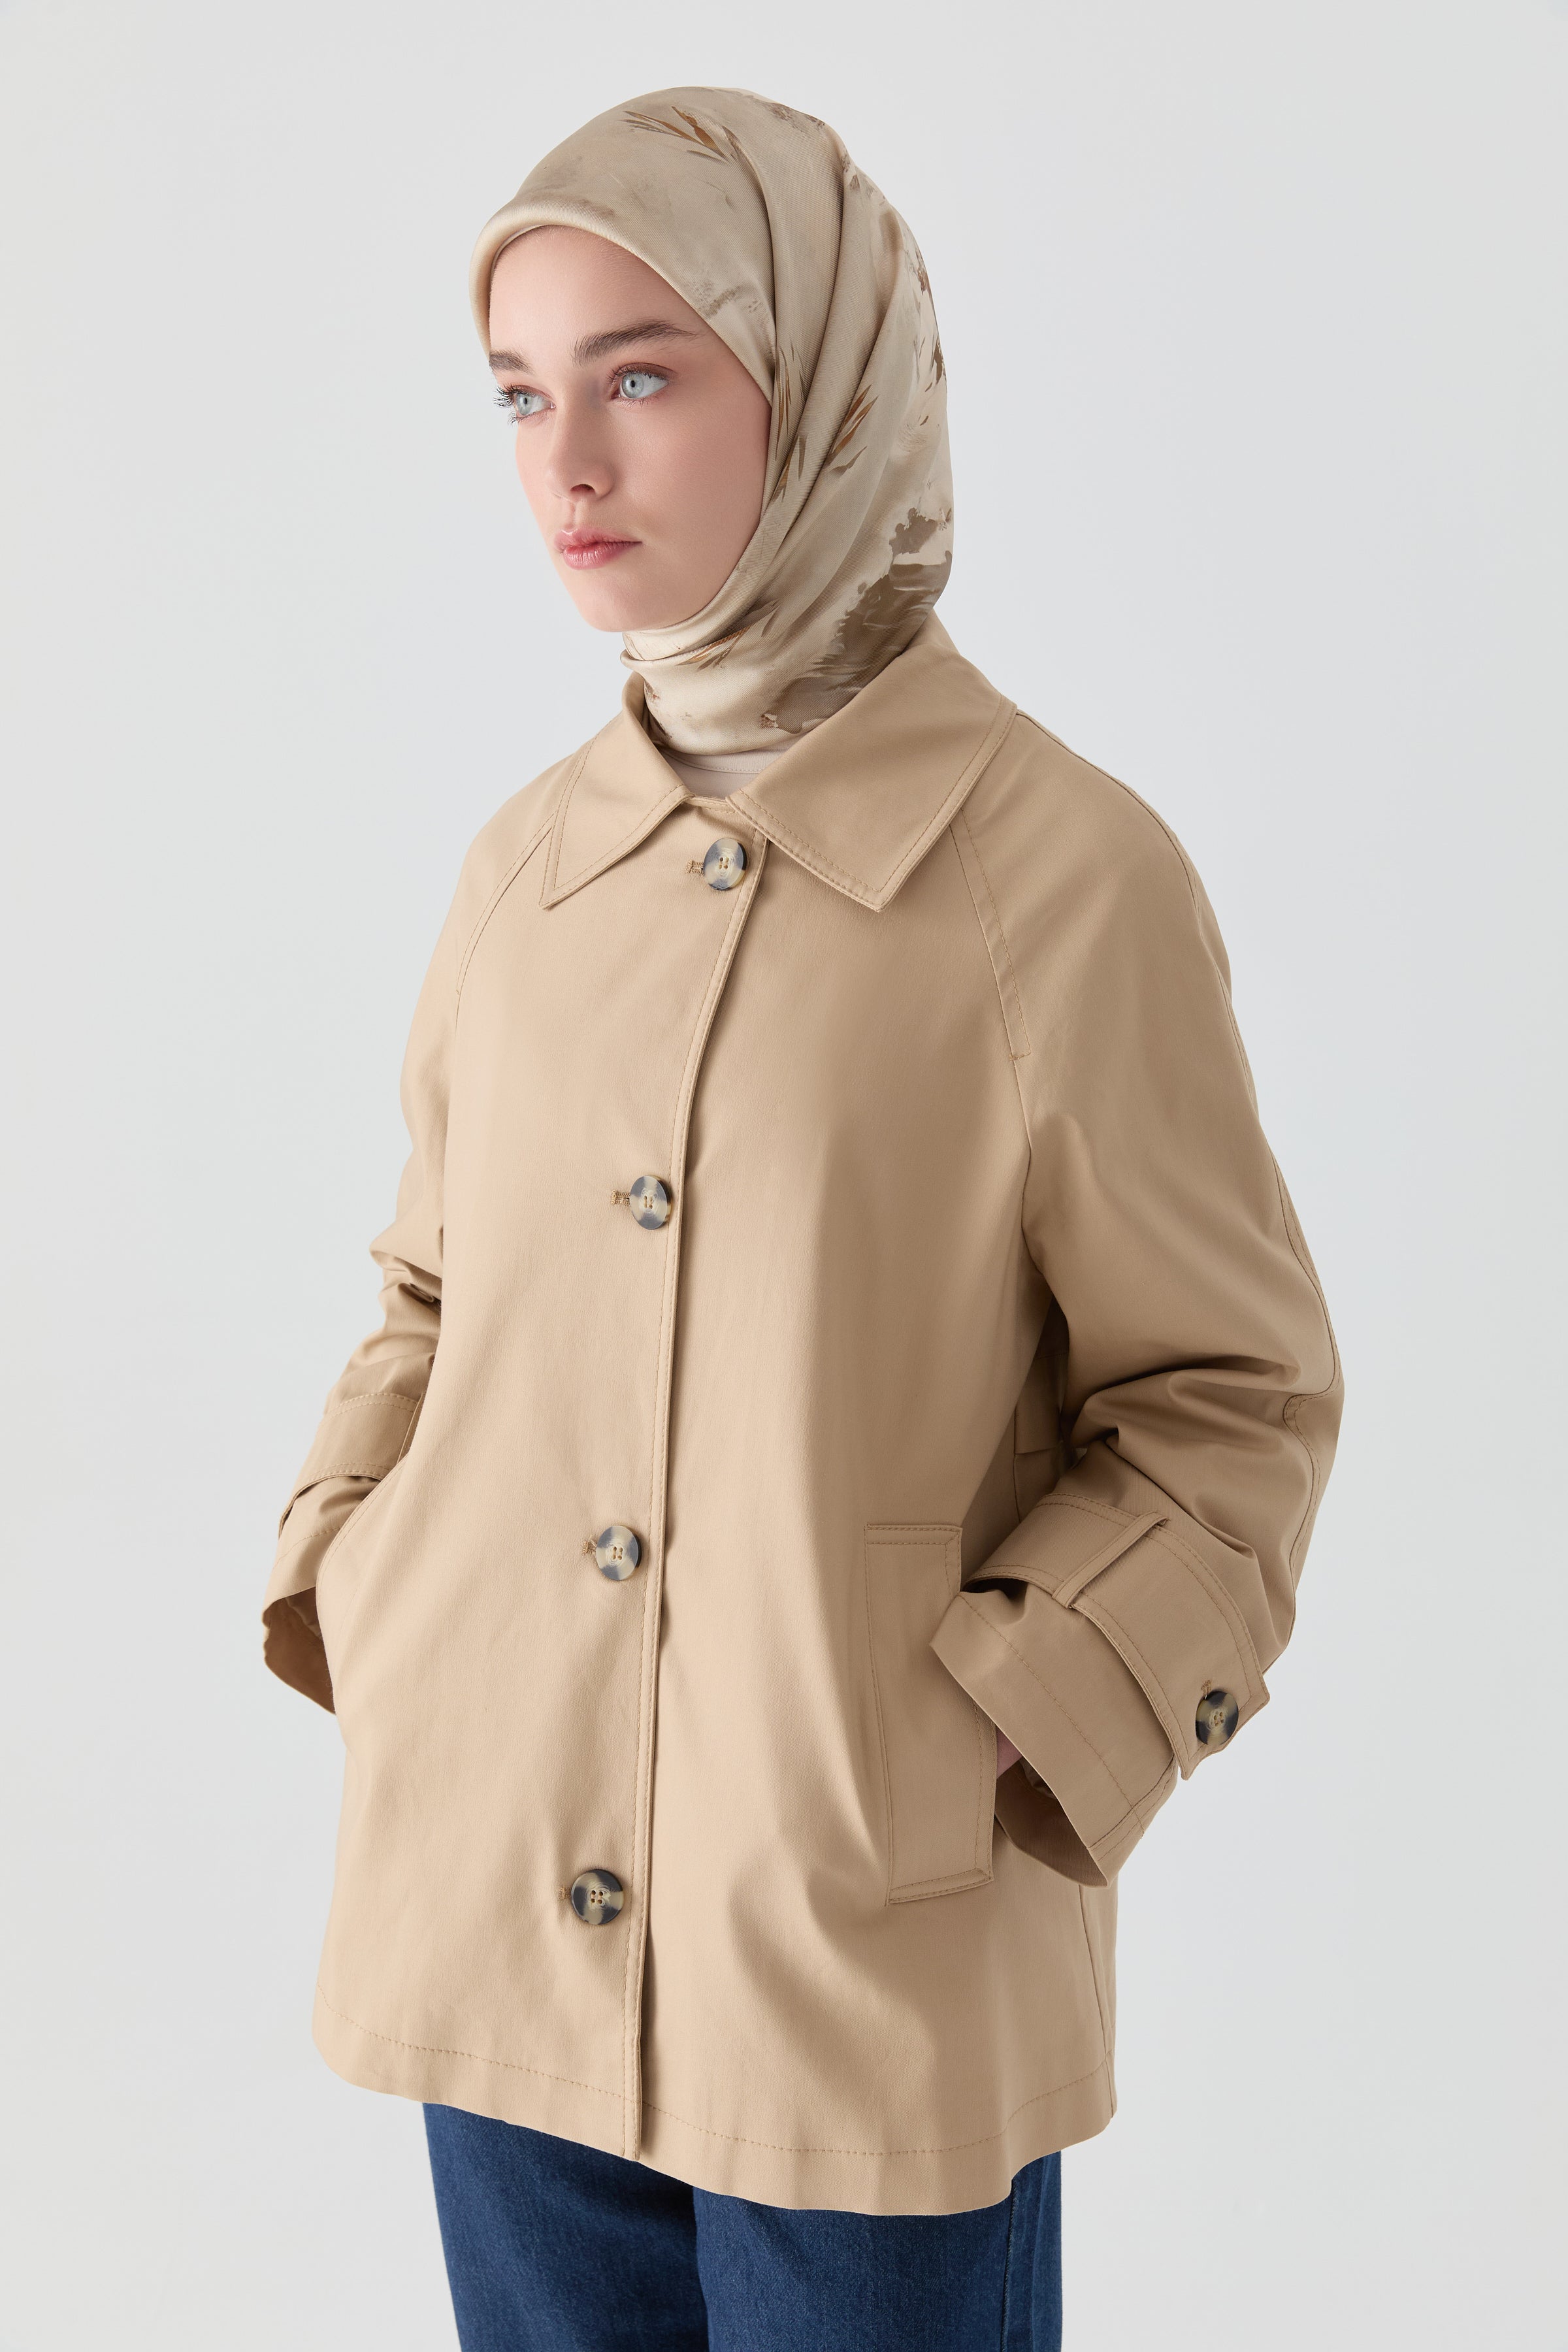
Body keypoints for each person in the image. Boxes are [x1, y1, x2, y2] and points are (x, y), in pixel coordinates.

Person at [261, 87, 1343, 2351]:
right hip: (494, 1891)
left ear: (828, 380)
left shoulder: (1062, 878)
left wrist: (999, 1730)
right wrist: (358, 1570)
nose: (569, 461)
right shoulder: (527, 869)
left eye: (641, 375)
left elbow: (1230, 1400)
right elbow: (431, 1289)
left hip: (864, 1944)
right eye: (520, 393)